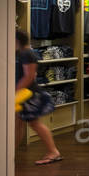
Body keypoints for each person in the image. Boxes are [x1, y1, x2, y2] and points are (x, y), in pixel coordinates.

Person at [15, 29, 61, 165]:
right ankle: (10, 153)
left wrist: (15, 92)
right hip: (24, 94)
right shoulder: (21, 53)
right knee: (19, 124)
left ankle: (53, 151)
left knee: (34, 123)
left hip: (29, 94)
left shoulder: (26, 53)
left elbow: (29, 76)